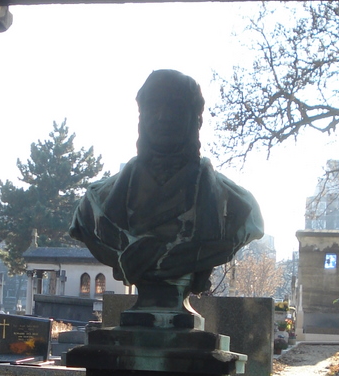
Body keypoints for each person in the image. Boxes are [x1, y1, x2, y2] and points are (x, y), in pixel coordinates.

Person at [70, 69, 263, 294]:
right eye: (153, 106)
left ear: (196, 119)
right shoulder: (94, 206)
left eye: (175, 107)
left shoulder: (237, 207)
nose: (163, 116)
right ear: (141, 116)